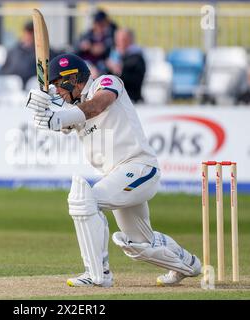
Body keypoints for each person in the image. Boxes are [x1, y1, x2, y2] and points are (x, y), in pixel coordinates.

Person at [25, 53, 201, 287]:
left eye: (58, 85)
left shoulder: (106, 82)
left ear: (73, 79)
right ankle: (190, 265)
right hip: (118, 176)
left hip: (139, 167)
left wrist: (57, 118)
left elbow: (97, 105)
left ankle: (99, 274)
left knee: (84, 200)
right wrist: (43, 113)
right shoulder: (76, 108)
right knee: (139, 244)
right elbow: (58, 121)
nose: (57, 92)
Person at [0, 21, 56, 88]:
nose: (29, 36)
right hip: (13, 86)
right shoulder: (13, 51)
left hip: (35, 85)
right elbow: (5, 70)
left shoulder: (45, 52)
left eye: (32, 33)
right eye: (27, 33)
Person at [106, 28, 146, 103]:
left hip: (131, 98)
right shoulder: (112, 55)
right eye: (118, 40)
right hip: (112, 97)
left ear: (130, 40)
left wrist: (119, 71)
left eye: (123, 40)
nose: (120, 43)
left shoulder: (137, 58)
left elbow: (136, 81)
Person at [75, 9, 116, 75]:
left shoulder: (110, 35)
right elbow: (76, 49)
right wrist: (82, 47)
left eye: (102, 23)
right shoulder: (86, 34)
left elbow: (100, 50)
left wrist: (90, 47)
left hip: (102, 62)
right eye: (97, 23)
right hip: (86, 62)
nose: (99, 25)